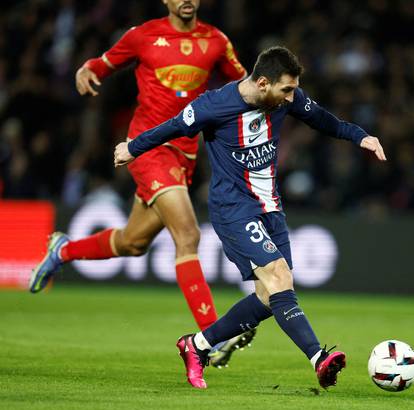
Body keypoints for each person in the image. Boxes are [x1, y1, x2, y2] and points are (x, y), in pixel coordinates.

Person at [113, 46, 387, 389]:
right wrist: (132, 147)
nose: (291, 98)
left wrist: (360, 136)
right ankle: (319, 358)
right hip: (233, 208)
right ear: (261, 83)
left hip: (270, 206)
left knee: (269, 297)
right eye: (285, 90)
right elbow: (171, 127)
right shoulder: (214, 105)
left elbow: (323, 120)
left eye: (293, 89)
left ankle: (195, 346)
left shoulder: (285, 99)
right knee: (279, 276)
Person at [29, 0, 254, 367]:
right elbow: (101, 64)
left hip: (185, 153)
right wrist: (86, 69)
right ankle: (211, 337)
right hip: (147, 147)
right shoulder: (142, 36)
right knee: (188, 235)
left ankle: (64, 251)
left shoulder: (215, 41)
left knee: (133, 242)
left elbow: (243, 86)